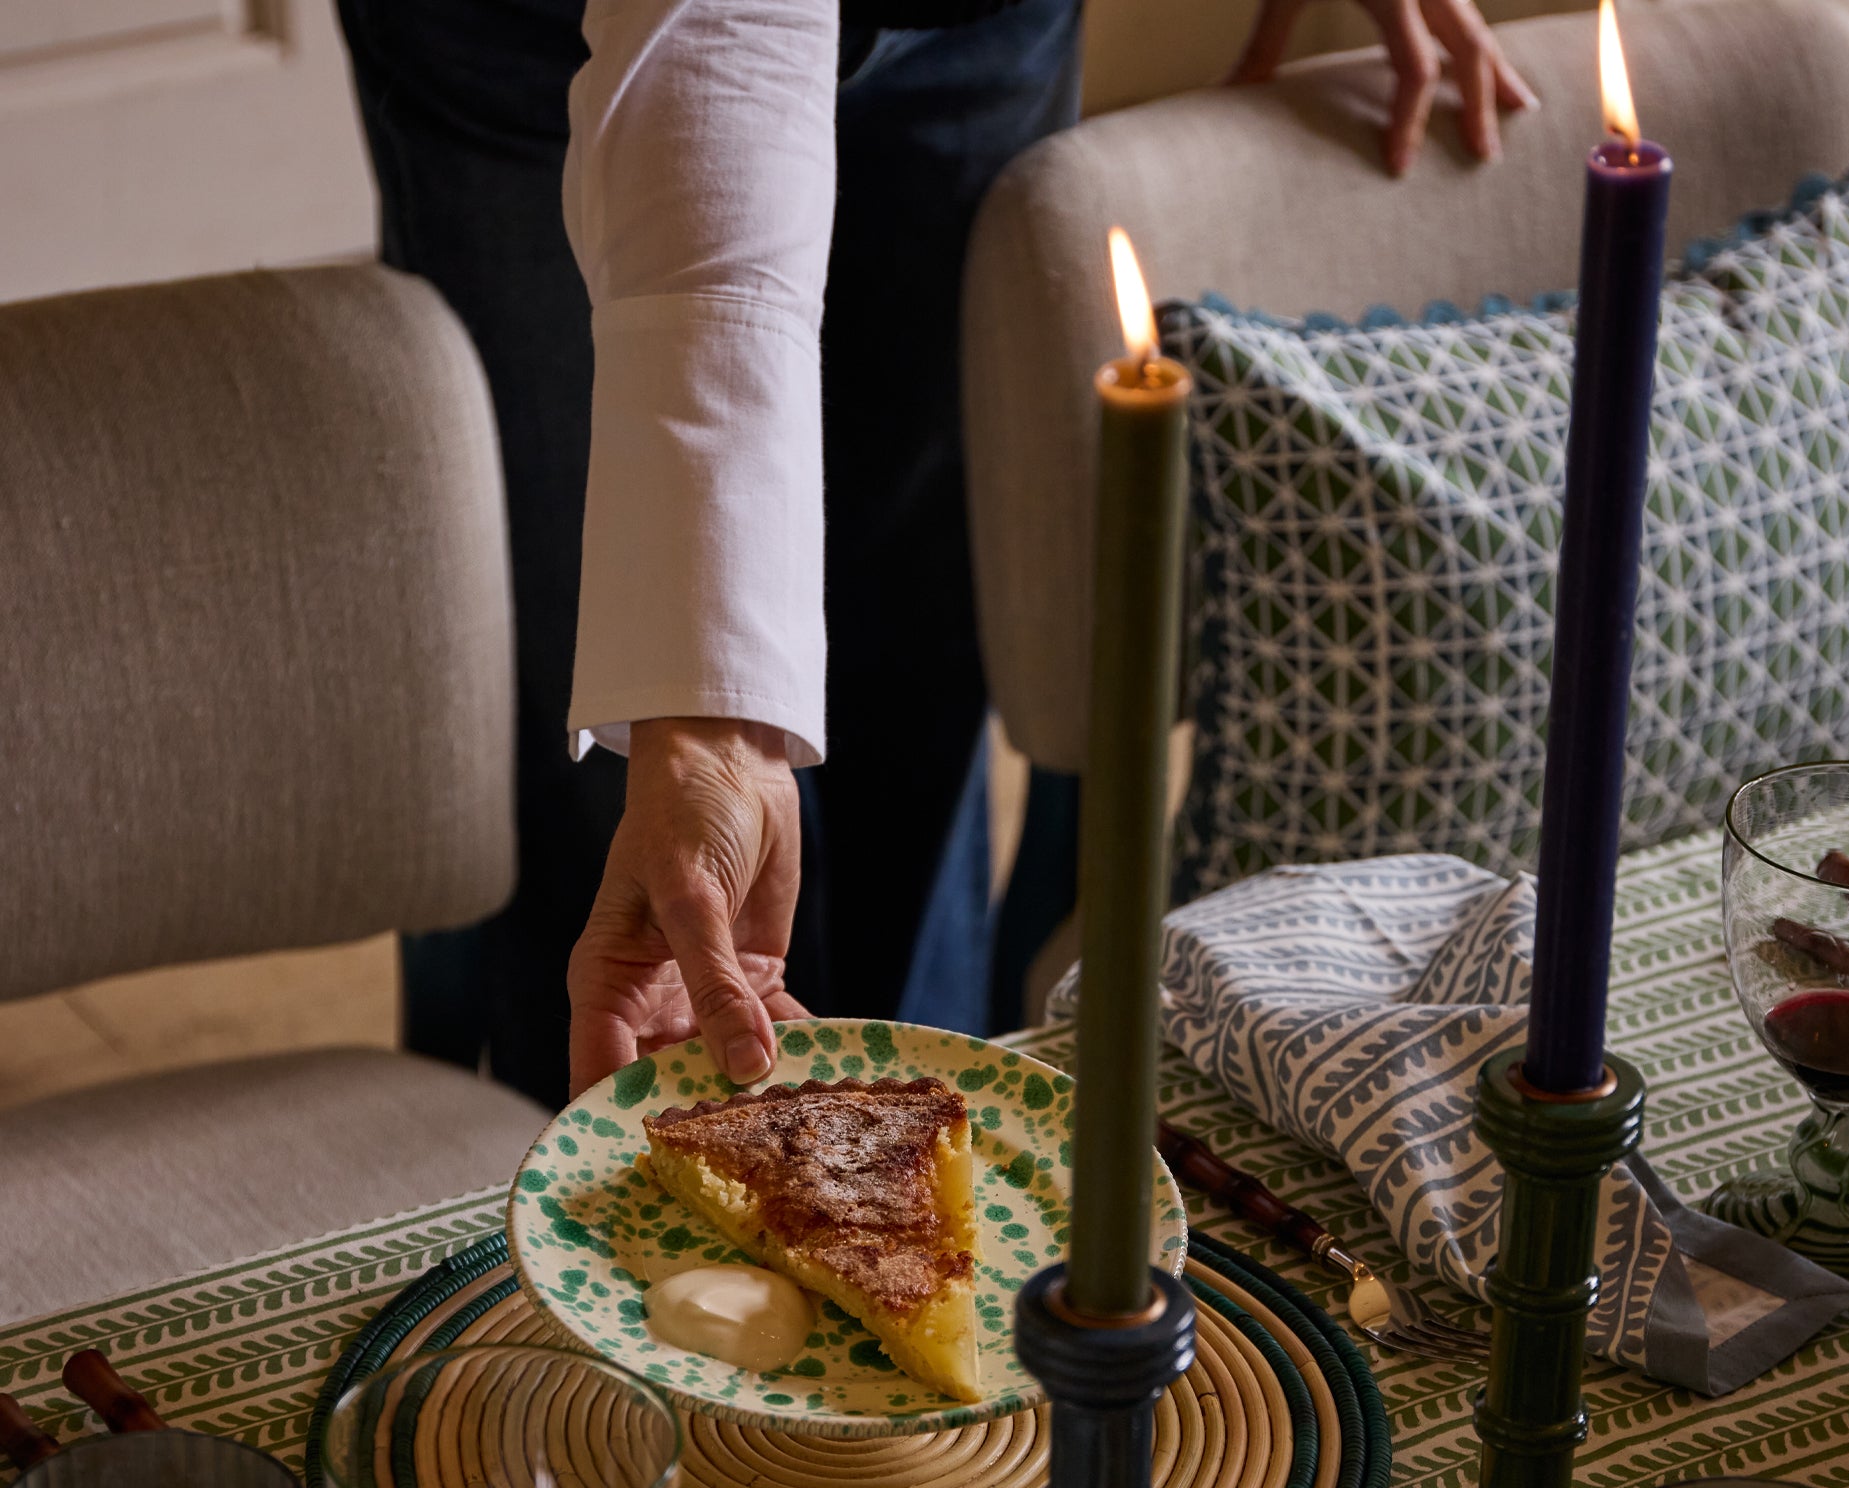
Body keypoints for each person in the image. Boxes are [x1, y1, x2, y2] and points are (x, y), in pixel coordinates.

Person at [338, 0, 1531, 1105]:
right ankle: (587, 1256)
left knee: (917, 671)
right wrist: (706, 721)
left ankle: (905, 1186)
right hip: (551, 35)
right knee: (615, 733)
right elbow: (718, 43)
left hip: (977, 26)